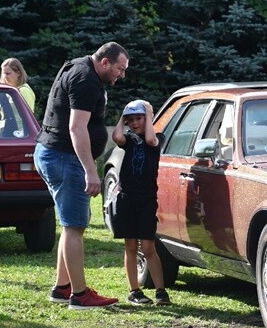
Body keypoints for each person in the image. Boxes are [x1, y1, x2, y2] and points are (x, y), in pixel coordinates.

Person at [35, 42, 129, 309]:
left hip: (53, 153)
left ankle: (62, 288)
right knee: (76, 226)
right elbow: (76, 128)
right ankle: (80, 294)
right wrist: (91, 171)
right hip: (65, 157)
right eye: (119, 69)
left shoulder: (78, 66)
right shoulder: (86, 79)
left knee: (69, 224)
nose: (121, 75)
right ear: (104, 62)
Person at [110, 99, 170, 306]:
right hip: (127, 198)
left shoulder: (157, 138)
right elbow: (116, 136)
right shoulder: (128, 139)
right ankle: (134, 290)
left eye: (138, 118)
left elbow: (151, 139)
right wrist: (123, 114)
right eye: (131, 120)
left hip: (146, 200)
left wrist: (150, 114)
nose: (134, 123)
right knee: (131, 245)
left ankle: (161, 291)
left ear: (147, 119)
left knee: (148, 245)